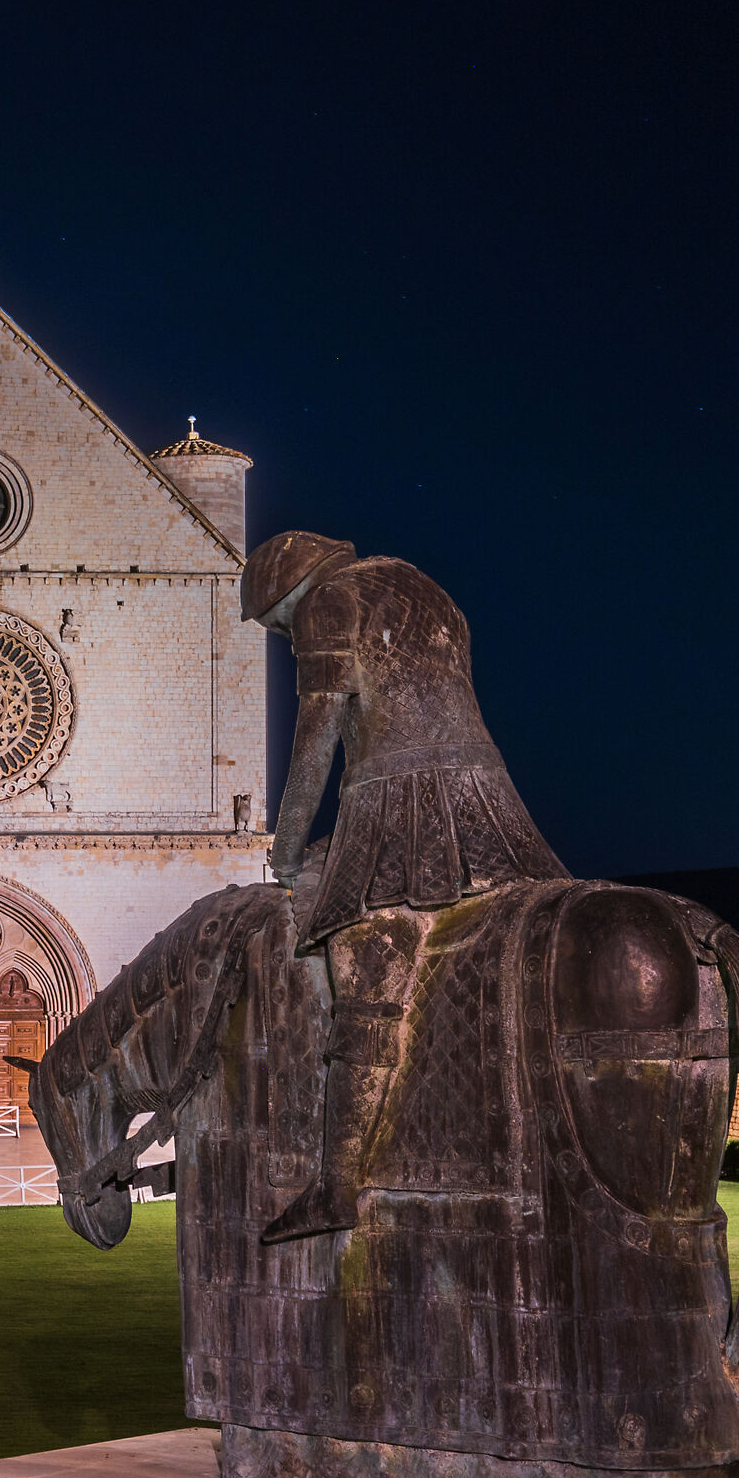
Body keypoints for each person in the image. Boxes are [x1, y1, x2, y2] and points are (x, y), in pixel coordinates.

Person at [243, 531, 568, 1243]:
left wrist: (288, 848)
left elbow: (315, 738)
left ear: (287, 594)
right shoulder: (426, 589)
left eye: (274, 625)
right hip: (488, 797)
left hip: (401, 801)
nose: (281, 636)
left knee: (364, 962)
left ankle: (334, 1188)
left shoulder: (327, 603)